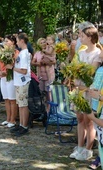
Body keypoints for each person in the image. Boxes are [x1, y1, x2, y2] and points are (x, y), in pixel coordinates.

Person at [69, 22, 102, 161]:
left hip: (89, 90)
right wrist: (72, 76)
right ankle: (80, 147)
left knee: (89, 121)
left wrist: (79, 74)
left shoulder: (98, 54)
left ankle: (88, 149)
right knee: (80, 118)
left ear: (89, 37)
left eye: (82, 36)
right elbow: (75, 69)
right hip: (78, 89)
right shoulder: (81, 52)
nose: (80, 38)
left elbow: (91, 73)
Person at [6, 33, 31, 137]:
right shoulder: (21, 53)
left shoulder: (25, 54)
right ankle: (21, 124)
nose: (16, 42)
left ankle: (24, 126)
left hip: (23, 81)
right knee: (20, 104)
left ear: (22, 41)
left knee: (23, 105)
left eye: (17, 40)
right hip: (19, 82)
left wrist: (12, 68)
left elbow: (24, 71)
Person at [0, 35, 18, 128]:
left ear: (13, 42)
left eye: (7, 41)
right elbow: (0, 63)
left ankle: (13, 119)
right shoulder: (3, 52)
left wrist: (7, 72)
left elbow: (14, 65)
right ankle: (8, 118)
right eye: (5, 41)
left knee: (12, 99)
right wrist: (0, 72)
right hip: (3, 77)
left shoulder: (15, 52)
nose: (5, 43)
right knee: (6, 99)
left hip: (11, 77)